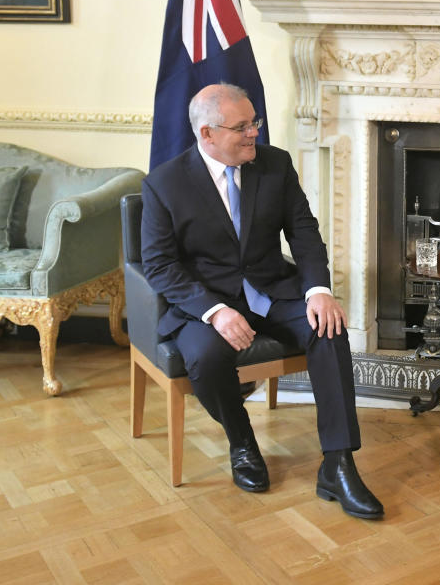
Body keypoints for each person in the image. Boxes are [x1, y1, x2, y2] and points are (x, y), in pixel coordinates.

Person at [141, 83, 383, 519]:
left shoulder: (275, 165)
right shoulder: (164, 184)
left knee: (329, 329)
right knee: (206, 356)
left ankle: (339, 463)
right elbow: (159, 266)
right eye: (242, 127)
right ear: (207, 134)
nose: (254, 133)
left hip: (273, 290)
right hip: (206, 303)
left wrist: (319, 291)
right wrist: (214, 311)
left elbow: (303, 231)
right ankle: (242, 443)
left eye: (255, 122)